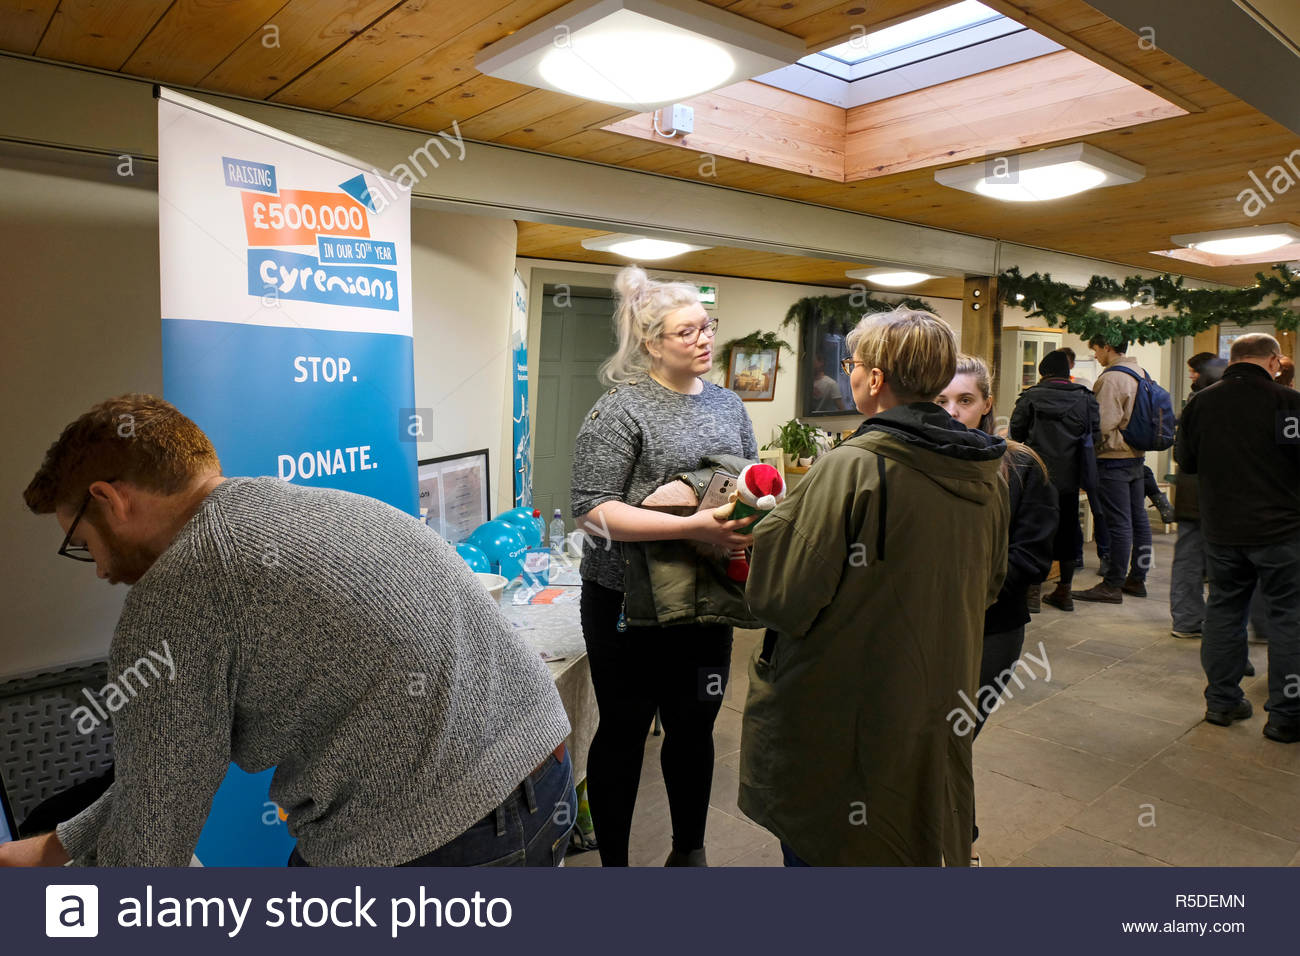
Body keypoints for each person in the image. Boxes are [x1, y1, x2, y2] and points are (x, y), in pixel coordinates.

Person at [3, 395, 574, 867]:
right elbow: (159, 782)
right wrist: (57, 846)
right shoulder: (311, 505)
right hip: (542, 774)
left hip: (442, 834)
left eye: (83, 544)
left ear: (108, 499)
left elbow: (150, 854)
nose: (101, 570)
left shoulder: (177, 593)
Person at [738, 309, 1009, 866]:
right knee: (910, 832)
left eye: (853, 364)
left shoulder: (853, 466)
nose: (850, 374)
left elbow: (780, 598)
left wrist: (761, 531)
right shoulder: (987, 472)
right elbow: (988, 585)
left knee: (832, 840)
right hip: (937, 690)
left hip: (846, 703)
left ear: (877, 378)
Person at [569, 265, 759, 867]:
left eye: (708, 327)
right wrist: (690, 527)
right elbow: (592, 513)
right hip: (625, 602)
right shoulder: (620, 411)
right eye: (687, 332)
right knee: (624, 730)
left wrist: (741, 527)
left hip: (705, 599)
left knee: (693, 727)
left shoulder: (729, 405)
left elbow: (750, 483)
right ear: (652, 343)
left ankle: (689, 852)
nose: (704, 340)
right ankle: (616, 866)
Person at [938, 355, 1055, 860]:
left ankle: (958, 850)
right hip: (923, 627)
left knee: (952, 741)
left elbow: (1030, 557)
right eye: (942, 400)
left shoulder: (1021, 465)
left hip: (992, 628)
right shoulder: (915, 462)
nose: (954, 411)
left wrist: (962, 586)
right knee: (927, 747)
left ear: (987, 404)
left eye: (965, 400)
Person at [1175, 333, 1300, 741]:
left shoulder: (1202, 401)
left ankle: (1222, 702)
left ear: (1234, 359)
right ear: (1274, 361)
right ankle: (1285, 715)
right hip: (1281, 530)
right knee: (1287, 618)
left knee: (1224, 612)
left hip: (1223, 529)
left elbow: (1186, 461)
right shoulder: (1288, 403)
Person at [1009, 348, 1101, 611]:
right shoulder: (1086, 398)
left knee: (1034, 529)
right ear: (1066, 371)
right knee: (1068, 529)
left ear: (1043, 372)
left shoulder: (1031, 397)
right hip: (1071, 477)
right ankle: (1065, 591)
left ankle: (1032, 592)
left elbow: (1017, 432)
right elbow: (1095, 435)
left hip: (1037, 474)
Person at [1073, 335, 1154, 604]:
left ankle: (1112, 584)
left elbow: (1103, 424)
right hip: (1136, 457)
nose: (1096, 355)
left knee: (1118, 523)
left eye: (1096, 349)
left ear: (1106, 348)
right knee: (1138, 519)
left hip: (1113, 458)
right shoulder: (1141, 372)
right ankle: (1137, 578)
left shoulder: (1111, 378)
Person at [1170, 355, 1226, 639]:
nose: (1190, 376)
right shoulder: (1230, 403)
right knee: (1227, 564)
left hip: (1193, 493)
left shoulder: (1196, 404)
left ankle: (1187, 619)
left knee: (1189, 558)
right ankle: (1222, 626)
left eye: (1194, 372)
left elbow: (1180, 453)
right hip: (1226, 497)